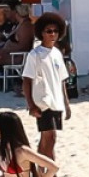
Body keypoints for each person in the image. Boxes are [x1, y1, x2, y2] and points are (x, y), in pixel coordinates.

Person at [25, 12, 73, 168]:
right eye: (49, 31)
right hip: (43, 101)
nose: (52, 34)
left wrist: (66, 104)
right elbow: (26, 80)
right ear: (42, 33)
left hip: (56, 101)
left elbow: (62, 81)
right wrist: (31, 105)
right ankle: (53, 176)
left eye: (55, 31)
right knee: (50, 137)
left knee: (47, 139)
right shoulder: (35, 55)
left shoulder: (57, 53)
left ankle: (38, 169)